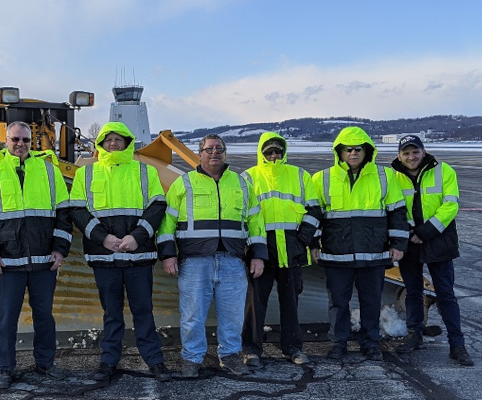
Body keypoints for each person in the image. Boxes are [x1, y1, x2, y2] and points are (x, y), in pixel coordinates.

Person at [0, 121, 72, 389]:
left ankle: (45, 364)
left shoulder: (49, 169)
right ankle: (4, 369)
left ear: (31, 141)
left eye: (25, 140)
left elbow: (63, 213)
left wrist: (59, 251)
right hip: (6, 263)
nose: (20, 144)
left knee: (44, 317)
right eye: (15, 139)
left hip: (42, 262)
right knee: (6, 319)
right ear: (6, 140)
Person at [158, 134, 267, 379]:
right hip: (195, 261)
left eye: (219, 148)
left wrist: (258, 255)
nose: (214, 152)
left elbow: (256, 221)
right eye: (209, 149)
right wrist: (168, 254)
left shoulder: (240, 184)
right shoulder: (184, 183)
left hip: (232, 260)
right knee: (192, 315)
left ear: (225, 153)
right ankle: (191, 359)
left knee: (233, 315)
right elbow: (167, 222)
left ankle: (229, 356)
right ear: (200, 153)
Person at [69, 122, 171, 382]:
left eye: (118, 139)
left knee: (143, 311)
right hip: (105, 257)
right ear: (100, 144)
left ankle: (155, 360)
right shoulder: (86, 173)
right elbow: (78, 209)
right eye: (108, 139)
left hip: (138, 256)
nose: (113, 144)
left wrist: (137, 237)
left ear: (127, 142)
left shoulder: (144, 171)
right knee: (111, 313)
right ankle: (108, 360)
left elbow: (158, 205)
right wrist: (104, 239)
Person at [311, 126, 409, 361]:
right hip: (337, 254)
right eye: (347, 149)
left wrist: (398, 244)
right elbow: (313, 215)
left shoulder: (385, 177)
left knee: (371, 301)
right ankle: (338, 343)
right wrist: (313, 244)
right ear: (339, 152)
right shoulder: (322, 178)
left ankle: (370, 342)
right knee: (338, 303)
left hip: (373, 253)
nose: (353, 153)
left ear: (367, 151)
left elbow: (397, 213)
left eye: (358, 149)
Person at [240, 132, 322, 368]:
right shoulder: (248, 177)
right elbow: (241, 214)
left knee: (291, 302)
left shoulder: (300, 175)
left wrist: (302, 240)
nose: (274, 155)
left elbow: (314, 211)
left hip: (292, 248)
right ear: (261, 153)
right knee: (255, 303)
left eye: (278, 151)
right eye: (269, 152)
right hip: (261, 249)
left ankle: (293, 348)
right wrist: (250, 247)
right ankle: (251, 349)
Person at [391, 135, 473, 366]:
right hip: (409, 241)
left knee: (446, 294)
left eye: (415, 151)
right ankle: (414, 335)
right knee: (413, 292)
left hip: (438, 240)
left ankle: (457, 345)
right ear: (399, 155)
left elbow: (450, 205)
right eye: (406, 153)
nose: (411, 157)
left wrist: (425, 232)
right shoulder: (393, 176)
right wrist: (407, 233)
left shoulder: (444, 171)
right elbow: (392, 207)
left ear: (423, 151)